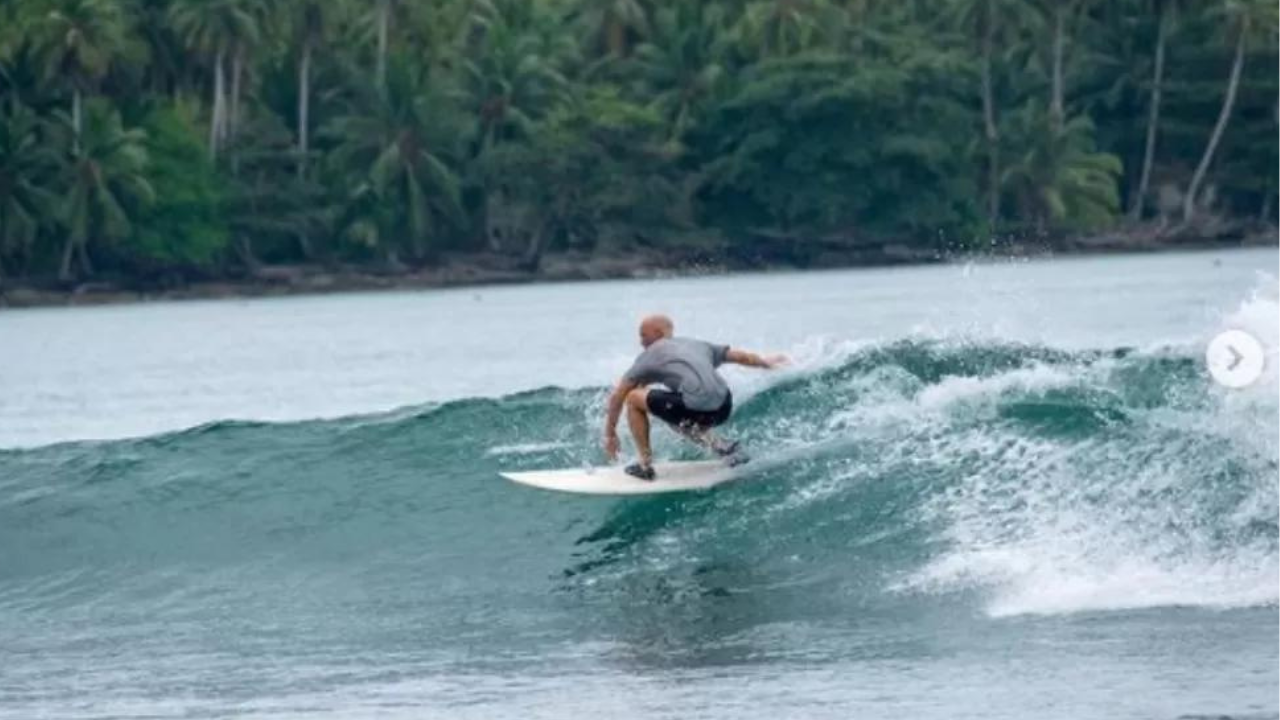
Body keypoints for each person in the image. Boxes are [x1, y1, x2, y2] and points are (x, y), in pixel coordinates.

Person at [603, 314, 786, 480]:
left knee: (634, 398)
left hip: (697, 408)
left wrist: (610, 433)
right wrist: (767, 363)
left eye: (643, 335)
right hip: (724, 406)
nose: (641, 342)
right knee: (675, 415)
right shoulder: (696, 344)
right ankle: (724, 447)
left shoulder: (650, 354)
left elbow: (619, 394)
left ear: (658, 333)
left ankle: (645, 465)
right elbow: (741, 357)